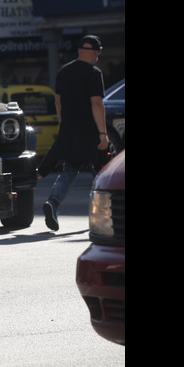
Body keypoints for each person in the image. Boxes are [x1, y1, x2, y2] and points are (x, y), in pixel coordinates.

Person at [38, 34, 110, 231]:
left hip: (69, 129)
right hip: (89, 130)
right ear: (96, 53)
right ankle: (109, 210)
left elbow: (58, 101)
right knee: (103, 171)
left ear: (79, 51)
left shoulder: (63, 71)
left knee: (69, 170)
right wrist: (102, 134)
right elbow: (96, 103)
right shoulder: (94, 73)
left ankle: (53, 202)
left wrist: (65, 121)